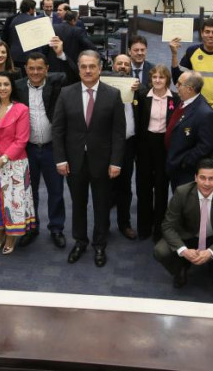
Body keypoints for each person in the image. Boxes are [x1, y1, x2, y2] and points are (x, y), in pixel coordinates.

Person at [53, 50, 125, 267]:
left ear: (100, 68)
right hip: (74, 162)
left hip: (103, 163)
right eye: (83, 66)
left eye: (92, 66)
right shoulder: (66, 93)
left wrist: (116, 161)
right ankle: (80, 241)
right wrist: (60, 159)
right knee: (78, 204)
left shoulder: (113, 95)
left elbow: (118, 133)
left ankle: (100, 244)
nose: (87, 70)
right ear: (79, 67)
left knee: (101, 205)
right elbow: (58, 130)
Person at [153, 159, 213, 292]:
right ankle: (180, 271)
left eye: (211, 178)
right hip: (187, 237)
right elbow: (168, 226)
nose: (207, 183)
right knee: (160, 250)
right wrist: (183, 250)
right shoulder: (181, 192)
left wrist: (210, 252)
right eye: (202, 178)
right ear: (195, 178)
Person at [15, 52, 69, 249]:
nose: (35, 72)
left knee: (56, 191)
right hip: (27, 148)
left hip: (52, 148)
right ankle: (31, 227)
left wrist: (61, 54)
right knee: (29, 191)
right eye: (31, 68)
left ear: (47, 69)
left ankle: (56, 228)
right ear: (26, 69)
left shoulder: (57, 82)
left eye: (39, 68)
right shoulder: (18, 86)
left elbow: (71, 73)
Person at [0, 72, 36, 254]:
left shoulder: (21, 109)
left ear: (12, 87)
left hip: (14, 163)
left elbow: (21, 140)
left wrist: (2, 159)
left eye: (6, 84)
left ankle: (11, 237)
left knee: (13, 203)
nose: (2, 88)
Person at [135, 64, 180, 241]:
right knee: (143, 187)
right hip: (145, 145)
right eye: (154, 77)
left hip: (164, 146)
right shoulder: (141, 96)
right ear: (150, 79)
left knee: (161, 188)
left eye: (161, 77)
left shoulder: (175, 99)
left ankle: (159, 229)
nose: (158, 80)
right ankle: (144, 226)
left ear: (167, 80)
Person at [166, 71, 213, 189]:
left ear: (189, 89)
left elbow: (205, 145)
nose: (176, 86)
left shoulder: (204, 113)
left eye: (179, 84)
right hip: (175, 165)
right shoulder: (184, 102)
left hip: (186, 172)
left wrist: (184, 162)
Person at [108, 53, 141, 240]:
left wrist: (140, 88)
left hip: (128, 145)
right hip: (107, 145)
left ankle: (124, 224)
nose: (122, 66)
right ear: (113, 66)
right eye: (119, 63)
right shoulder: (103, 87)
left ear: (131, 68)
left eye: (126, 64)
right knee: (105, 187)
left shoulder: (136, 88)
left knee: (125, 187)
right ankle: (103, 224)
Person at [170, 18, 213, 107]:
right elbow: (178, 79)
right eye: (207, 32)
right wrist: (174, 54)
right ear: (202, 33)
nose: (210, 35)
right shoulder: (192, 51)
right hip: (195, 106)